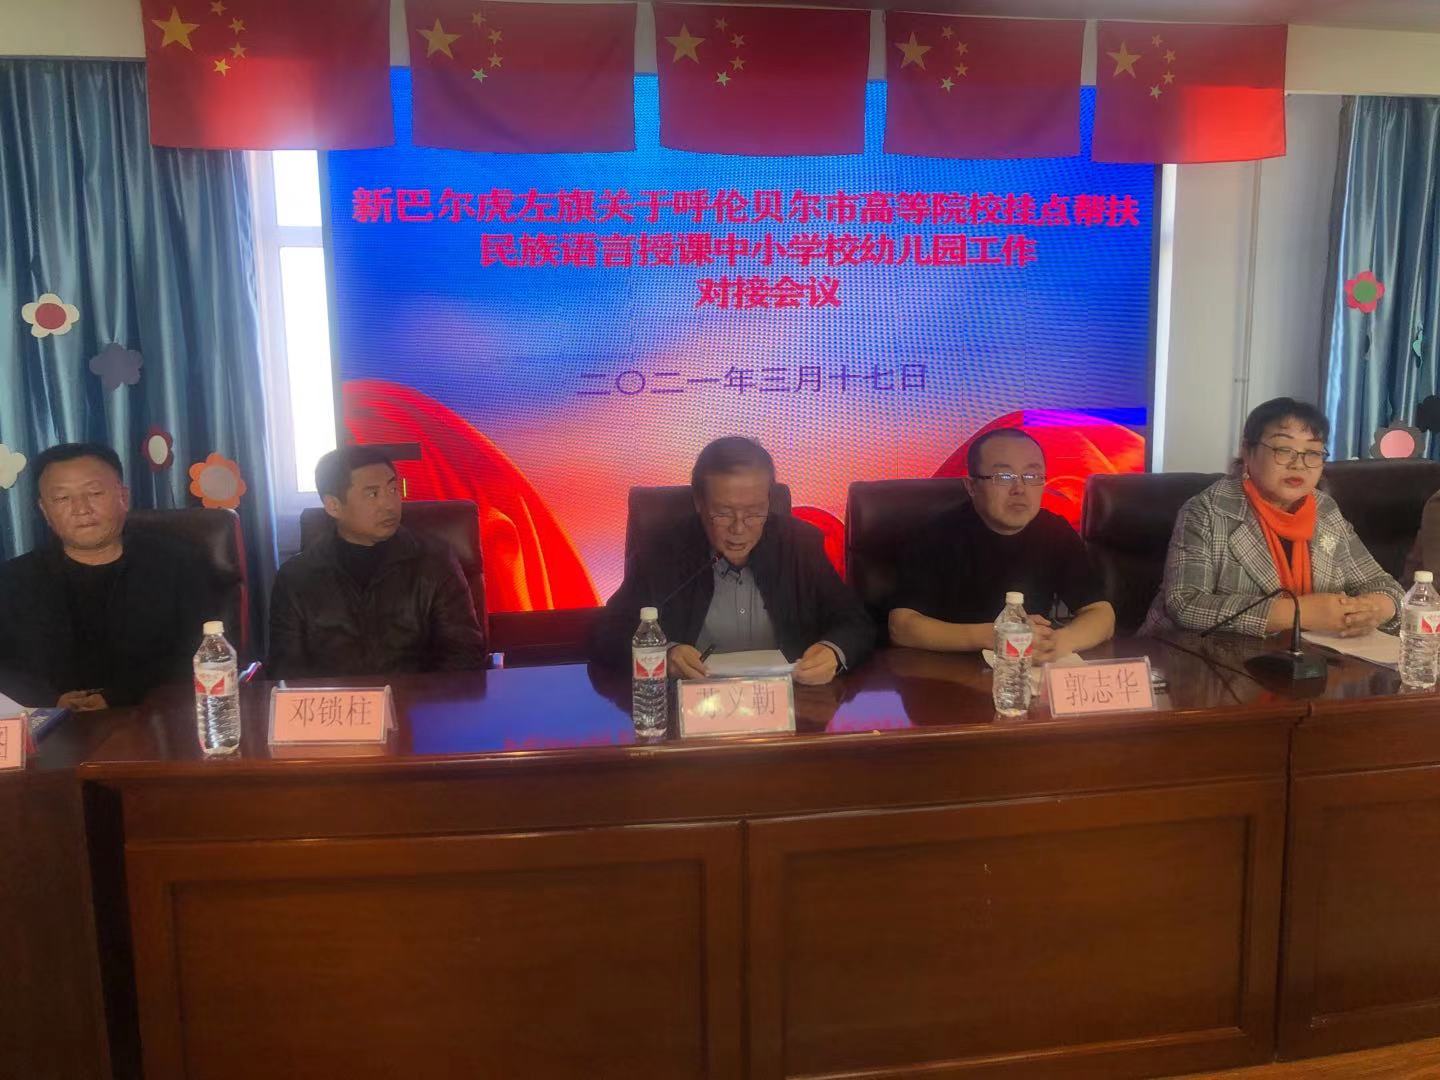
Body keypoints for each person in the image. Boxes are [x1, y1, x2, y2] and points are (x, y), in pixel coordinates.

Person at [590, 437, 875, 686]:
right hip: (693, 710)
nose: (739, 528)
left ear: (768, 501)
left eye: (754, 512)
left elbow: (855, 622)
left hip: (788, 707)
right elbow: (608, 634)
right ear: (699, 503)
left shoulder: (799, 544)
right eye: (723, 513)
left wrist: (833, 652)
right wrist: (665, 655)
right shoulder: (663, 551)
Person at [1143, 397, 1403, 637]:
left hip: (1307, 658)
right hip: (1196, 656)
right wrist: (1297, 613)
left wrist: (1375, 609)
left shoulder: (1325, 510)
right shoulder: (1207, 511)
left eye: (1312, 453)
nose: (1298, 464)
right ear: (1248, 451)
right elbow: (1185, 604)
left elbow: (1382, 584)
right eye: (1283, 449)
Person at [0, 443, 216, 709]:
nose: (81, 509)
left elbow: (203, 653)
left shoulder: (179, 565)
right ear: (45, 511)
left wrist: (118, 697)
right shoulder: (12, 581)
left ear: (123, 497)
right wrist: (49, 700)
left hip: (152, 718)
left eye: (94, 493)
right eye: (62, 498)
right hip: (50, 723)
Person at [888, 428, 1115, 661]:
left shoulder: (1055, 531)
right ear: (971, 486)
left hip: (1021, 671)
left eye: (1032, 476)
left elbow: (1102, 615)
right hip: (944, 669)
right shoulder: (935, 534)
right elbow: (901, 627)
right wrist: (993, 635)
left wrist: (1058, 643)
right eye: (1004, 477)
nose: (1020, 489)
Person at [267, 445, 485, 678]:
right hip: (333, 700)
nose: (390, 504)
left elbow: (464, 655)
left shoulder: (435, 561)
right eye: (373, 494)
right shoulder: (296, 578)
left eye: (393, 489)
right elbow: (286, 672)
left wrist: (416, 696)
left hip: (419, 699)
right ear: (333, 506)